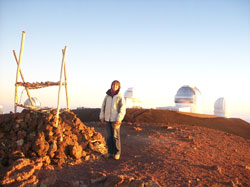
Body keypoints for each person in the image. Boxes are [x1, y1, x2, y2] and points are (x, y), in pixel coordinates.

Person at [99, 80, 126, 160]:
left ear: (118, 87)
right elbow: (103, 106)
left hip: (115, 120)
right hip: (108, 119)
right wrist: (102, 116)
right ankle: (110, 152)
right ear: (111, 86)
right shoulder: (107, 96)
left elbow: (123, 108)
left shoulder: (120, 96)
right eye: (113, 85)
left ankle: (117, 153)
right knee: (109, 136)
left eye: (116, 85)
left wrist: (119, 118)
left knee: (115, 136)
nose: (114, 86)